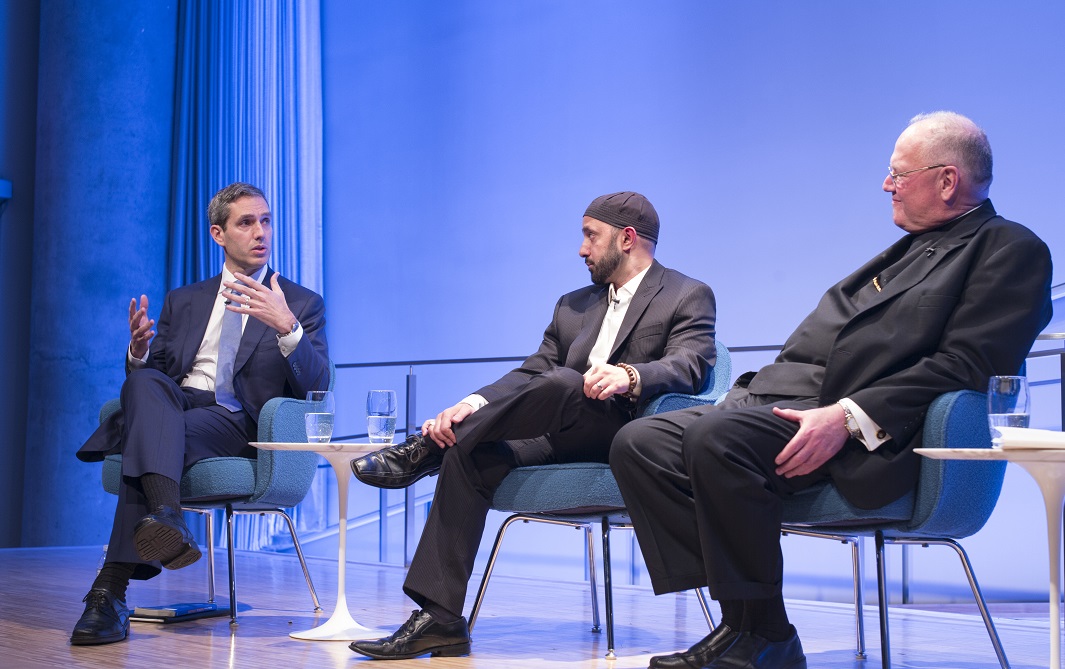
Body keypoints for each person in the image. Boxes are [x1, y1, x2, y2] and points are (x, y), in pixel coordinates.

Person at [610, 111, 1053, 669]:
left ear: (947, 180)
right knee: (639, 441)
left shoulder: (1010, 249)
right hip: (783, 403)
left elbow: (968, 364)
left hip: (873, 433)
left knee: (718, 440)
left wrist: (847, 416)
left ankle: (760, 633)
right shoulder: (906, 249)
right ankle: (746, 620)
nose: (886, 185)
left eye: (899, 173)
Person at [348, 191, 716, 660]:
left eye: (590, 236)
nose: (582, 249)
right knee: (472, 452)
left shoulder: (686, 293)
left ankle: (425, 450)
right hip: (557, 431)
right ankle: (440, 620)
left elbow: (691, 364)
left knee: (565, 381)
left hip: (626, 437)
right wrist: (469, 404)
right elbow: (530, 373)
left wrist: (630, 375)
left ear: (627, 239)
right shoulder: (573, 305)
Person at [70, 182, 331, 645]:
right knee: (145, 381)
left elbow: (317, 387)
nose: (260, 232)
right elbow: (157, 382)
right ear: (218, 234)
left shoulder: (299, 302)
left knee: (144, 437)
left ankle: (108, 593)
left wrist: (286, 327)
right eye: (246, 222)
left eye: (265, 220)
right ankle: (167, 516)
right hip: (181, 408)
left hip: (238, 421)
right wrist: (138, 351)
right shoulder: (184, 300)